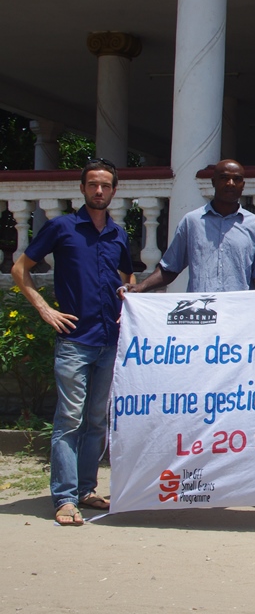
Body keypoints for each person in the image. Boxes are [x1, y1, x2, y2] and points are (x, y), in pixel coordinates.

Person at [11, 159, 133, 526]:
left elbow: (126, 273)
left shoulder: (118, 234)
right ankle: (64, 498)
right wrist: (45, 310)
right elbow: (21, 269)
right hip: (74, 340)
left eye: (105, 185)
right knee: (69, 419)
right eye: (93, 184)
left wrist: (124, 299)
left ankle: (85, 489)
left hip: (108, 340)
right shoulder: (61, 227)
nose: (99, 191)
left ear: (114, 191)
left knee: (97, 420)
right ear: (82, 189)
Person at [123, 159, 255, 294]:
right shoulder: (192, 222)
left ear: (242, 185)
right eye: (224, 178)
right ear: (213, 182)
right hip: (201, 312)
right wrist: (140, 287)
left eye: (236, 179)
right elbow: (169, 268)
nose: (230, 183)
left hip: (238, 312)